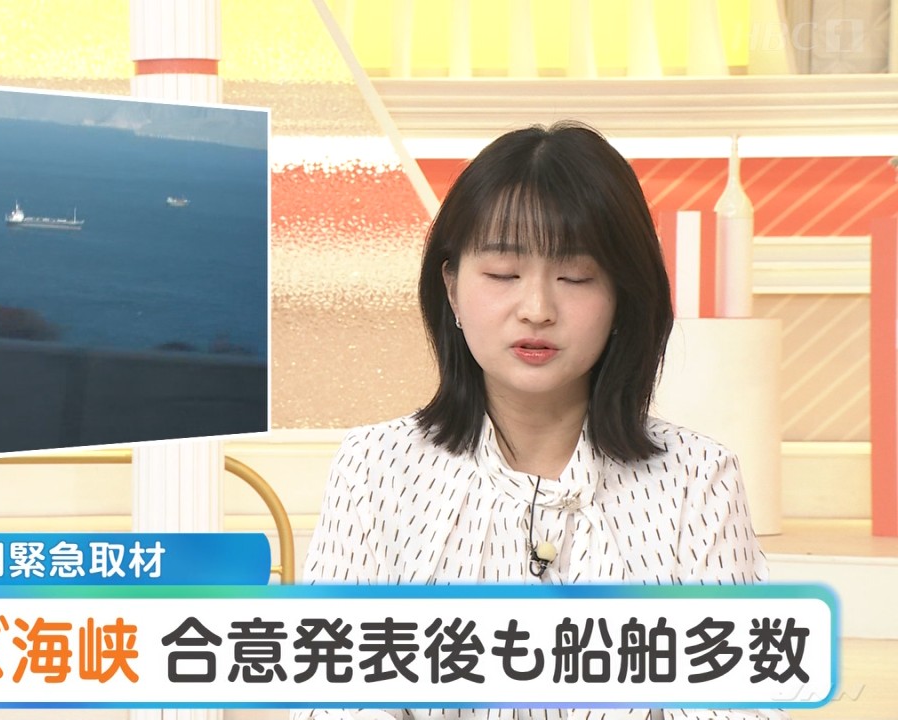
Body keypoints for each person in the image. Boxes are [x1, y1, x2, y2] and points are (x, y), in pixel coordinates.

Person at [298, 123, 785, 720]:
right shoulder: (374, 468)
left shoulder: (698, 480)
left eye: (575, 277)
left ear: (622, 300)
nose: (537, 309)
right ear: (451, 288)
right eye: (504, 273)